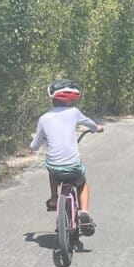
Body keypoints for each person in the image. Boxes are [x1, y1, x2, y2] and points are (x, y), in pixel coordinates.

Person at [30, 80, 104, 233]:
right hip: (73, 166)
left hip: (55, 168)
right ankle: (84, 211)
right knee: (82, 182)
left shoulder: (44, 118)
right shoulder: (74, 113)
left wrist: (33, 141)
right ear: (72, 99)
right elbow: (91, 124)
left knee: (51, 169)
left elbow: (35, 146)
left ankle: (54, 198)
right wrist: (97, 128)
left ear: (51, 97)